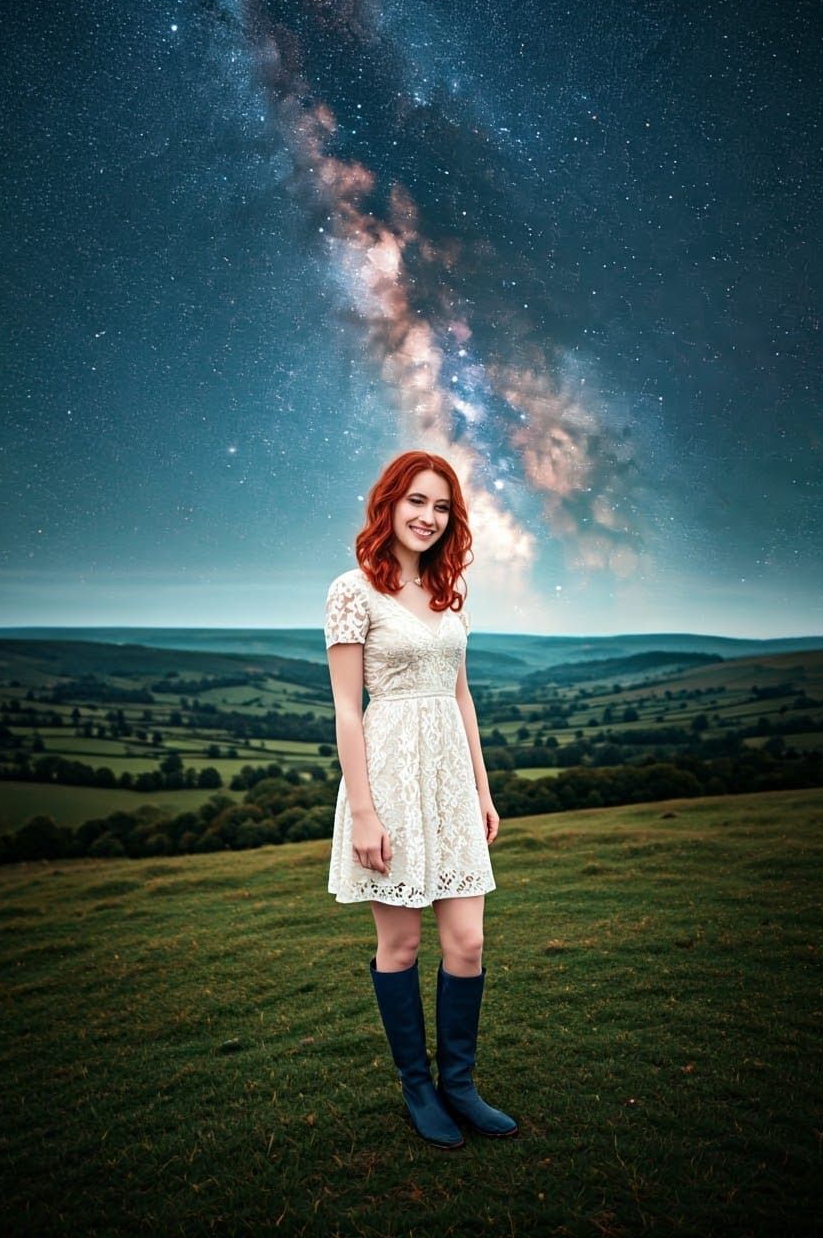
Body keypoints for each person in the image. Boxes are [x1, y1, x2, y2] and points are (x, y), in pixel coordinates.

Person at [323, 450, 518, 1150]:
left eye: (441, 506)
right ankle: (418, 1089)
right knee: (400, 944)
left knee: (467, 941)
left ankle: (459, 1085)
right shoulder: (352, 590)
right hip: (391, 779)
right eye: (416, 501)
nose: (428, 517)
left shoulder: (448, 588)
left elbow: (462, 694)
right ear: (388, 503)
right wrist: (367, 812)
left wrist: (481, 788)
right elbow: (349, 709)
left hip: (450, 783)